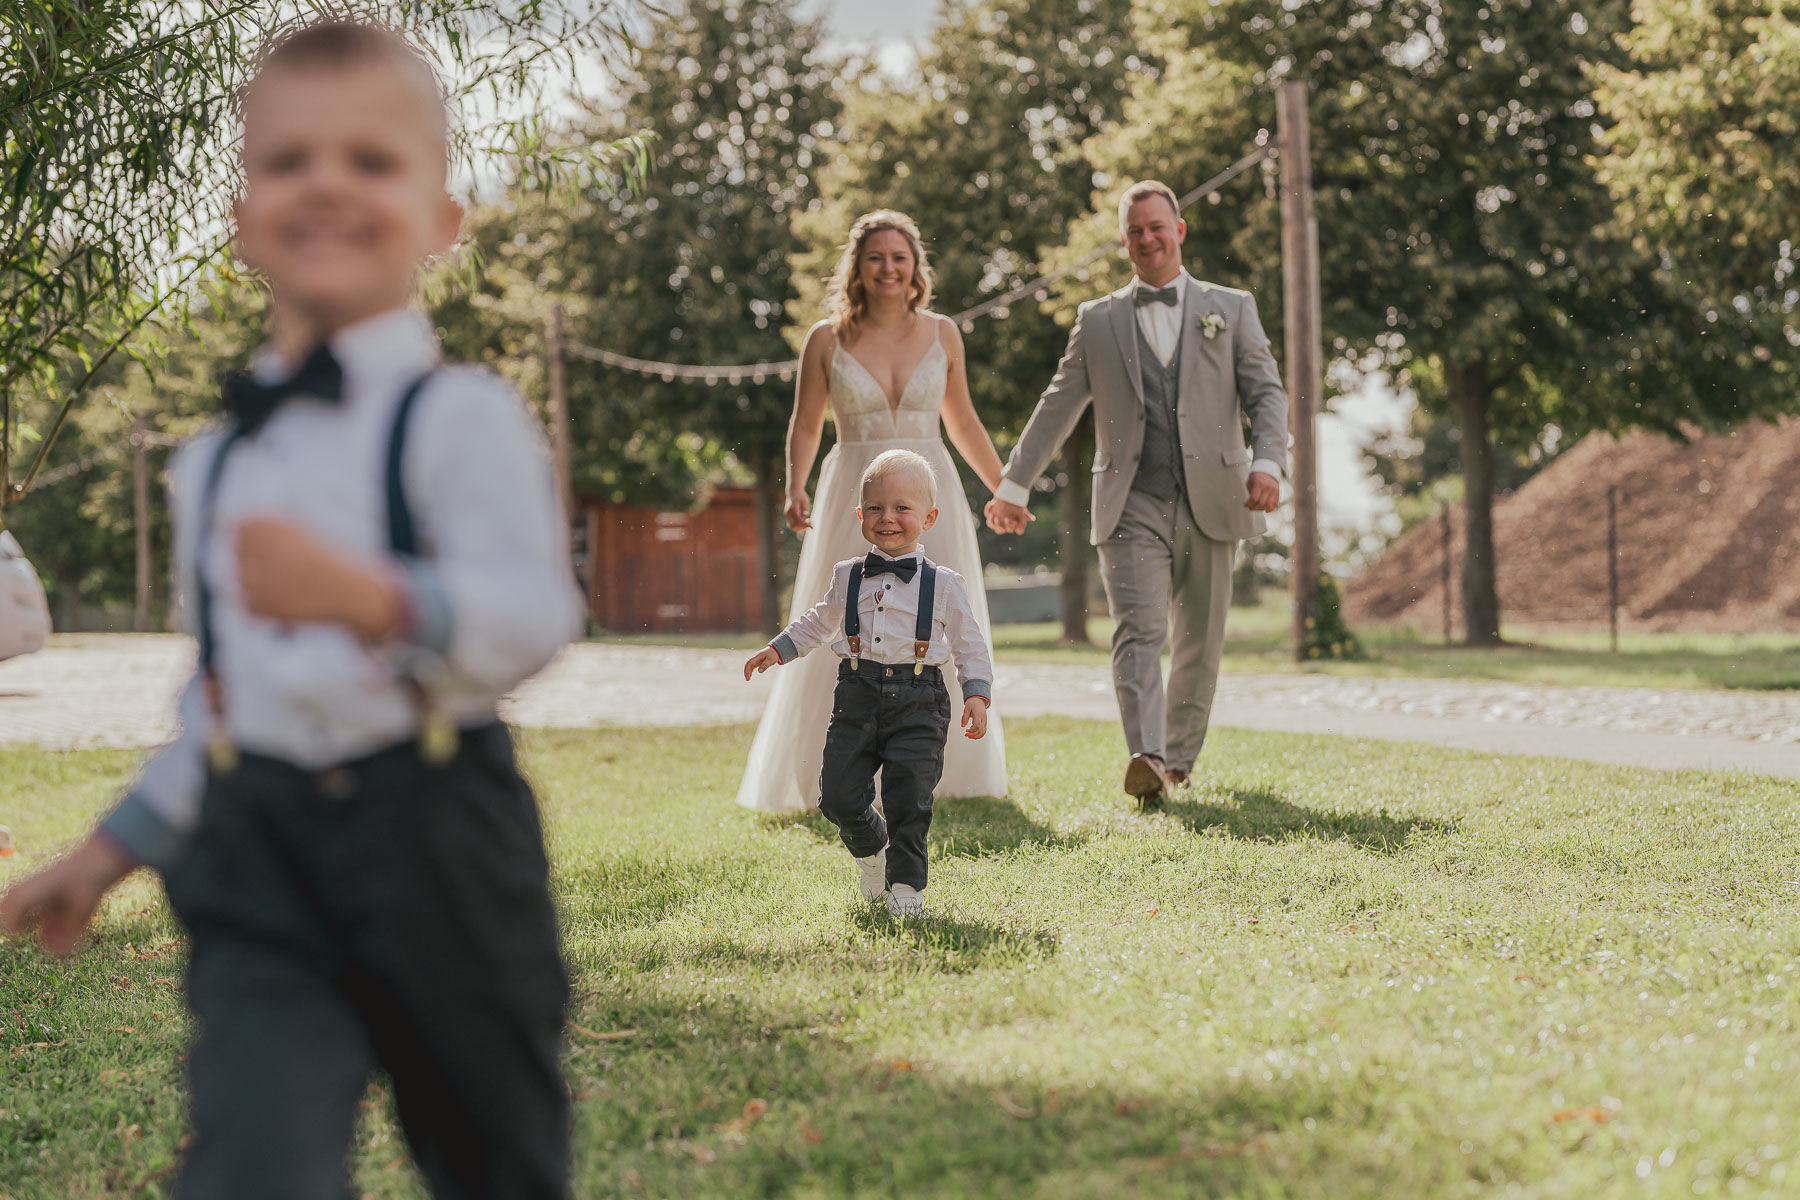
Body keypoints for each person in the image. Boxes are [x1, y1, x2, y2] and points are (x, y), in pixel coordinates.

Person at [0, 21, 583, 1197]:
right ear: (241, 214)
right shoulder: (214, 462)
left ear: (442, 219)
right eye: (286, 161)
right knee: (250, 1163)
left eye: (372, 161)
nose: (325, 183)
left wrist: (372, 599)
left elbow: (535, 615)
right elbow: (226, 704)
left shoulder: (462, 417)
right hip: (258, 858)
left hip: (439, 846)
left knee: (498, 1157)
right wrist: (108, 856)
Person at [985, 180, 1288, 805]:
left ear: (1179, 230)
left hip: (1218, 495)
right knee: (1139, 628)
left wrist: (1269, 464)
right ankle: (1145, 758)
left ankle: (1179, 761)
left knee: (1201, 639)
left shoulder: (1231, 308)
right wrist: (1013, 484)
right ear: (1123, 241)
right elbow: (1057, 406)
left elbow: (1266, 393)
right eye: (1134, 231)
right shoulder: (1097, 321)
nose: (1146, 239)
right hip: (1130, 501)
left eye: (1156, 226)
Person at [736, 209, 1009, 813]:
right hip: (850, 494)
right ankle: (823, 769)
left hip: (929, 488)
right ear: (856, 267)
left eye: (900, 257)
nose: (889, 268)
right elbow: (806, 422)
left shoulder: (944, 333)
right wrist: (795, 486)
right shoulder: (826, 339)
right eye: (876, 257)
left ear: (916, 268)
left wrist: (1003, 487)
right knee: (841, 616)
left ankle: (949, 763)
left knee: (941, 614)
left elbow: (962, 420)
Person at [744, 450, 992, 918]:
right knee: (836, 793)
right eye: (875, 508)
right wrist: (778, 649)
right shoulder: (848, 575)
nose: (888, 518)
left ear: (929, 517)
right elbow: (819, 622)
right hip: (856, 695)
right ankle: (872, 850)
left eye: (902, 508)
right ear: (860, 515)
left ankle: (906, 885)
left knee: (909, 795)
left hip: (920, 700)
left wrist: (976, 693)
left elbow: (970, 645)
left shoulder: (944, 584)